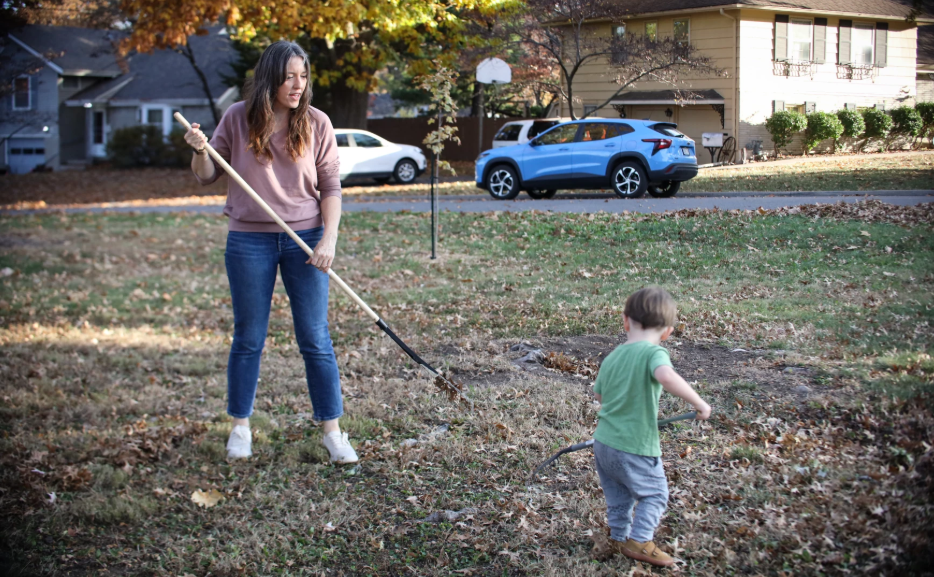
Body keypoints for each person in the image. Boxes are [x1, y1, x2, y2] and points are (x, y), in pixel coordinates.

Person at [183, 41, 357, 464]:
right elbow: (207, 175)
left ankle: (332, 432)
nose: (298, 85)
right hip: (248, 240)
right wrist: (199, 149)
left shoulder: (316, 122)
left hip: (306, 239)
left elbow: (331, 188)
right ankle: (240, 427)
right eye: (289, 76)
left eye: (303, 76)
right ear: (270, 78)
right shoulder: (238, 118)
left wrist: (328, 239)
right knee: (248, 337)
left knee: (315, 338)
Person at [592, 287, 711, 567]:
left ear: (625, 321)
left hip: (604, 443)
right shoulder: (653, 353)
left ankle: (618, 537)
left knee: (619, 497)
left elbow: (600, 396)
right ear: (667, 332)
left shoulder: (612, 357)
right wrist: (700, 404)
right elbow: (666, 376)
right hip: (634, 445)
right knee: (655, 494)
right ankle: (640, 540)